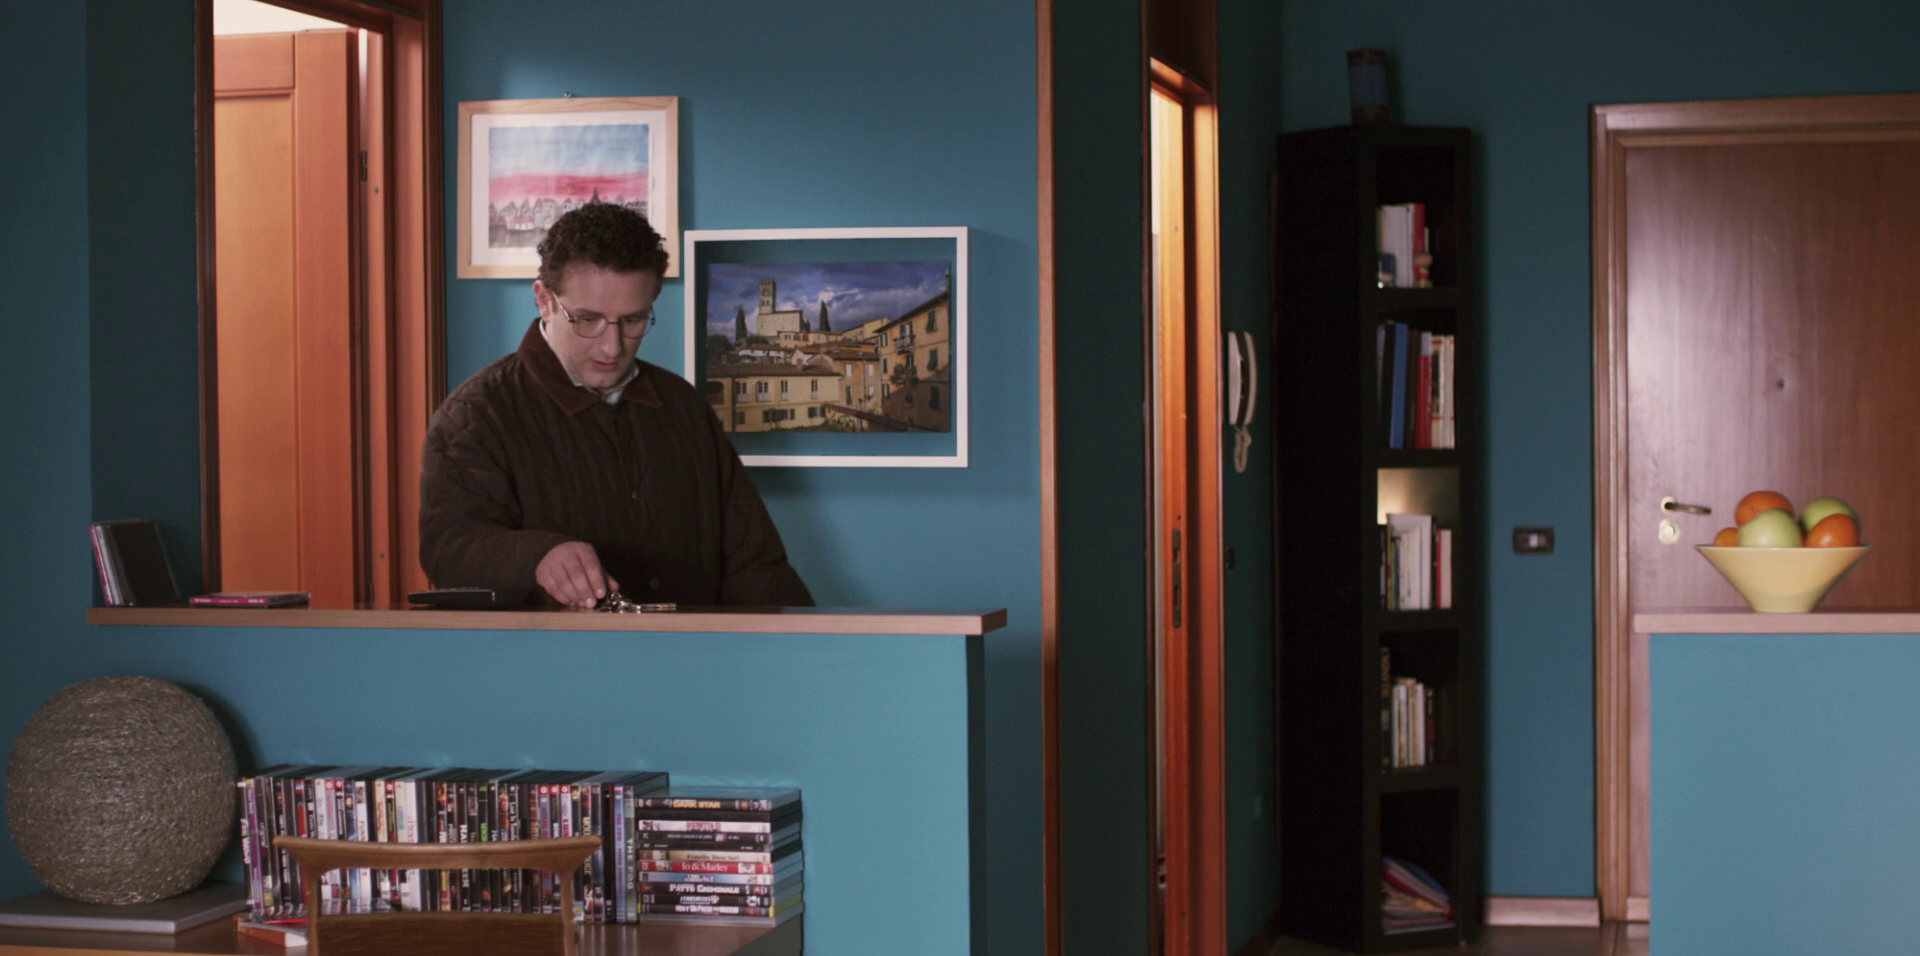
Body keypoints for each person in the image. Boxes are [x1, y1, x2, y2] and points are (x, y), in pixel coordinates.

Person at [419, 202, 812, 609]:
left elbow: (754, 565)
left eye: (632, 320)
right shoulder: (476, 414)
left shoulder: (682, 405)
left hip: (692, 650)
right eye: (586, 320)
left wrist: (804, 640)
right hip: (550, 652)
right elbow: (448, 549)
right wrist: (536, 557)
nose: (612, 346)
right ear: (544, 299)